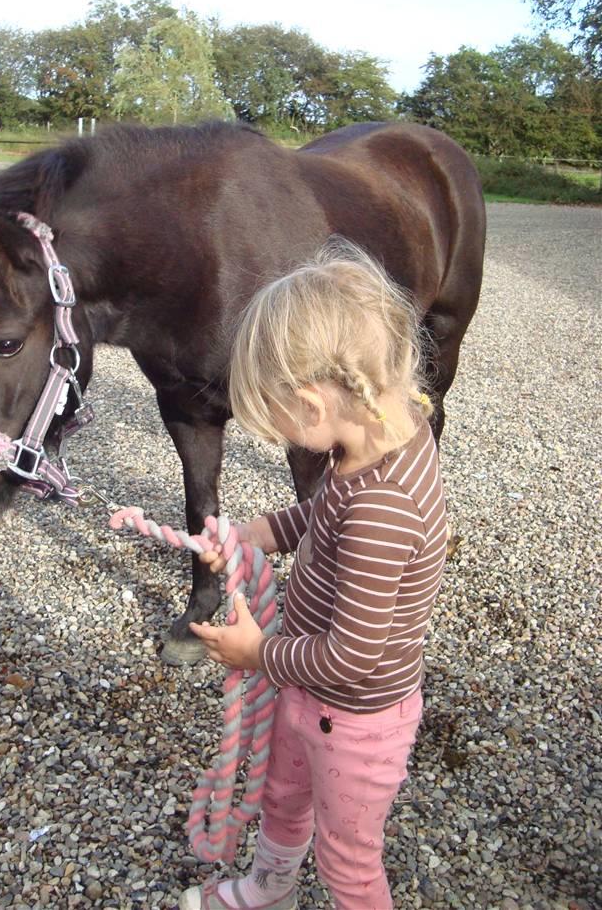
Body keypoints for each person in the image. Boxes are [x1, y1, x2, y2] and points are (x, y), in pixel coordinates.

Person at [179, 242, 448, 910]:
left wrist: (255, 654)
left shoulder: (385, 507)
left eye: (276, 420)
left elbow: (352, 656)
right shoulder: (385, 433)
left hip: (354, 718)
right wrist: (261, 533)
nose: (279, 437)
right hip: (307, 691)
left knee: (348, 859)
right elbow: (326, 512)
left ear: (312, 402)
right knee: (282, 795)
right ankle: (271, 888)